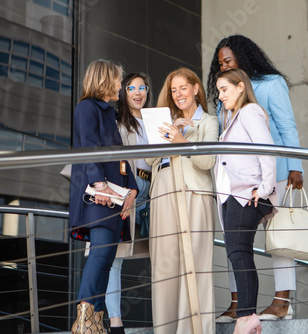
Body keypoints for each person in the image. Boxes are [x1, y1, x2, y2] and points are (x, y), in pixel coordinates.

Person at [207, 34, 303, 321]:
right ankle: (237, 303)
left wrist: (296, 166)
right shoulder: (223, 95)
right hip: (235, 183)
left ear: (243, 58)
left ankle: (282, 302)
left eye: (228, 60)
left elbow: (287, 126)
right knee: (235, 242)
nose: (223, 66)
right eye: (220, 62)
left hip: (278, 174)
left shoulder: (271, 84)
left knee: (279, 238)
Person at [146, 67, 218, 334]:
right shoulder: (168, 121)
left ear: (196, 89)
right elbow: (149, 160)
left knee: (195, 264)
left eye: (183, 88)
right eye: (173, 90)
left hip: (194, 194)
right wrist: (167, 136)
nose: (178, 95)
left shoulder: (208, 122)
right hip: (163, 192)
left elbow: (207, 161)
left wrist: (181, 142)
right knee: (164, 267)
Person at [69, 59, 138, 334]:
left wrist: (131, 188)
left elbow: (121, 158)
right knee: (99, 255)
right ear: (105, 81)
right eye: (118, 81)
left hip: (114, 196)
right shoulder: (87, 107)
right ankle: (84, 318)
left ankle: (96, 319)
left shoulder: (109, 113)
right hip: (99, 195)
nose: (121, 86)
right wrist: (99, 184)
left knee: (107, 257)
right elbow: (88, 147)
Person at [214, 68, 278, 334]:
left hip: (246, 194)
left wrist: (263, 189)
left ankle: (247, 316)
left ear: (241, 87)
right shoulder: (233, 118)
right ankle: (246, 315)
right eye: (218, 91)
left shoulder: (250, 112)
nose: (220, 96)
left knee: (240, 252)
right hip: (232, 196)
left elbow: (266, 149)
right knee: (237, 253)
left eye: (224, 90)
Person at [104, 72, 153, 334]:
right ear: (123, 92)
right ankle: (115, 322)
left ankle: (170, 314)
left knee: (163, 251)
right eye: (132, 87)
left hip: (156, 191)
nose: (137, 92)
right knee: (117, 256)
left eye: (142, 87)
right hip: (128, 190)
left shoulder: (156, 119)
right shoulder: (117, 121)